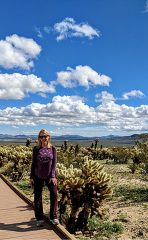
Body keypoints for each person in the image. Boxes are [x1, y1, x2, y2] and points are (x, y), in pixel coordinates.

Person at [30, 129, 59, 227]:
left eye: (45, 136)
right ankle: (39, 218)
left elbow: (54, 164)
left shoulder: (53, 149)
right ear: (39, 138)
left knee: (54, 195)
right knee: (37, 197)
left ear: (49, 137)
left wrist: (53, 176)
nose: (43, 138)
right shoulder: (36, 149)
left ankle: (53, 216)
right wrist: (31, 177)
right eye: (41, 136)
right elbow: (33, 164)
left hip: (50, 176)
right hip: (38, 175)